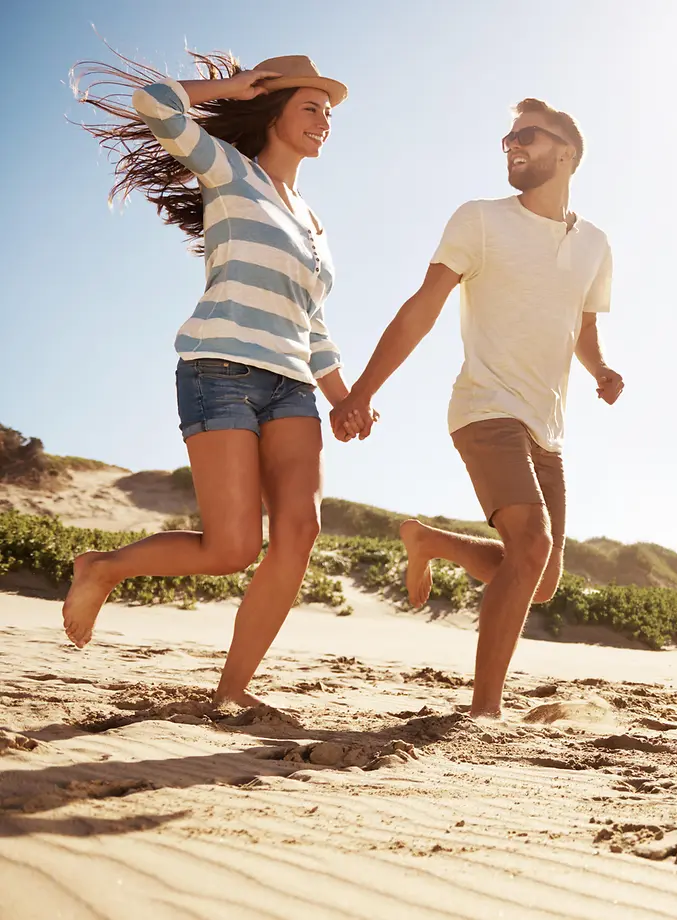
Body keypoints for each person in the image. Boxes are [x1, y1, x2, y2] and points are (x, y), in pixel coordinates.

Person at [63, 51, 372, 706]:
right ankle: (103, 568)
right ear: (274, 112)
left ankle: (233, 692)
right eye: (310, 107)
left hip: (291, 385)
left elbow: (313, 324)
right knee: (231, 548)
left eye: (328, 111)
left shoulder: (314, 223)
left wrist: (345, 398)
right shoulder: (230, 172)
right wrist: (230, 86)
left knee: (299, 532)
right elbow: (154, 102)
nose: (325, 121)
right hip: (220, 369)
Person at [330, 98, 624, 719]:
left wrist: (600, 371)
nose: (511, 144)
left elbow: (583, 327)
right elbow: (423, 306)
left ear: (567, 152)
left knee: (538, 576)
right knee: (530, 541)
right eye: (508, 137)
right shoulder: (481, 220)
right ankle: (484, 710)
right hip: (485, 407)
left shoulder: (595, 243)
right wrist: (362, 390)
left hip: (548, 425)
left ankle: (428, 540)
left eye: (528, 135)